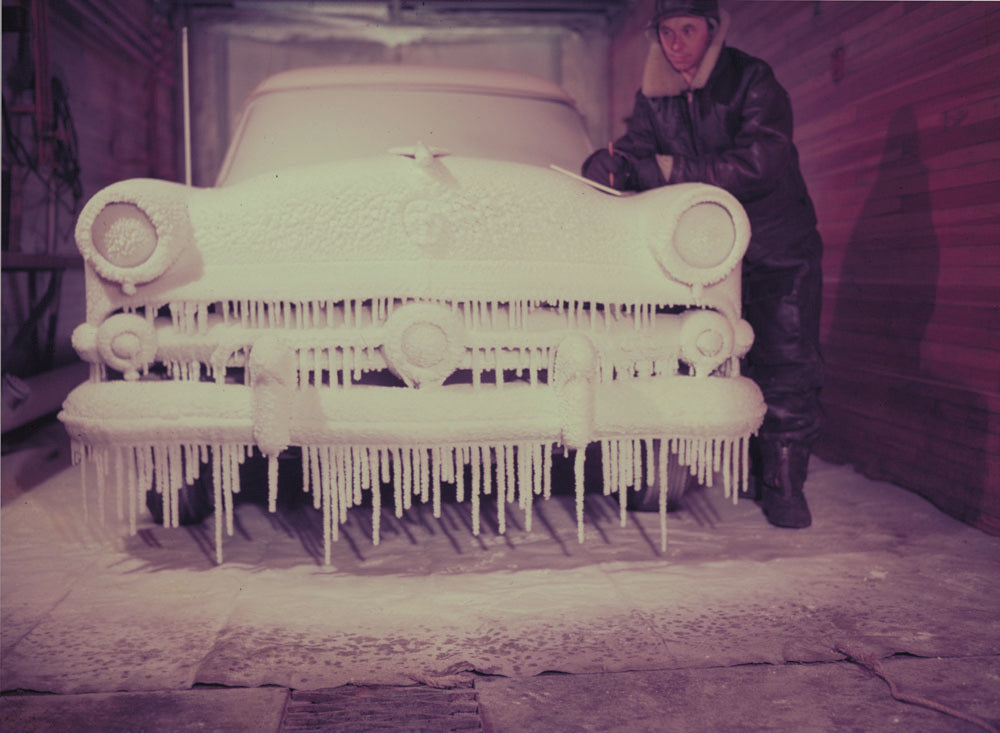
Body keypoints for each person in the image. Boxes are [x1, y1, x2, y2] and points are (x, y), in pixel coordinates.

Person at [582, 0, 823, 528]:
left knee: (785, 360)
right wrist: (613, 162)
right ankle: (734, 465)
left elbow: (762, 161)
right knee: (712, 358)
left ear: (712, 32)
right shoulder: (658, 96)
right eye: (665, 32)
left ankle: (783, 483)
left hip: (777, 246)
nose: (674, 43)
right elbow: (639, 148)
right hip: (707, 259)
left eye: (686, 30)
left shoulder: (752, 80)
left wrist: (667, 168)